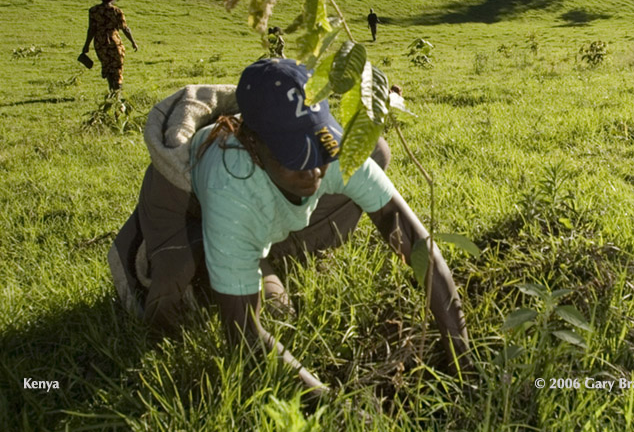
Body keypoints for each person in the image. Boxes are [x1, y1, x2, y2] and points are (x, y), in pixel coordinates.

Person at [108, 58, 470, 392]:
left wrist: (462, 355)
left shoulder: (331, 148)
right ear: (251, 143)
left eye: (319, 150)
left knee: (279, 311)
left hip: (253, 212)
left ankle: (240, 257)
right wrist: (330, 403)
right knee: (171, 297)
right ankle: (171, 254)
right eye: (295, 157)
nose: (313, 171)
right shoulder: (232, 186)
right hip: (182, 208)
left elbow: (413, 239)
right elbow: (243, 334)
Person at [82, 0, 138, 92]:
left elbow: (91, 29)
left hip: (100, 43)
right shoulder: (117, 11)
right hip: (114, 42)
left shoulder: (93, 11)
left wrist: (86, 45)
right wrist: (133, 42)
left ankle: (111, 89)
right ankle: (117, 91)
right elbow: (125, 28)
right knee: (117, 67)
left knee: (107, 66)